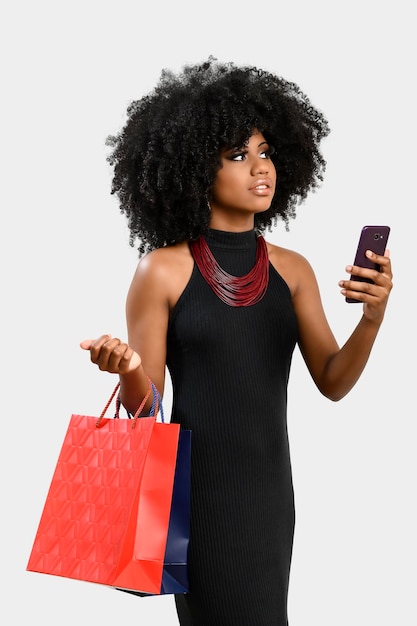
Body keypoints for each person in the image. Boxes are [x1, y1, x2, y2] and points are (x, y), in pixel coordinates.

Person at [80, 57, 393, 625]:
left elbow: (334, 382)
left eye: (266, 152)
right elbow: (145, 404)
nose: (261, 169)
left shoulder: (292, 271)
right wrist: (125, 367)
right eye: (238, 155)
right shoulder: (162, 272)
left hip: (270, 494)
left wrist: (371, 318)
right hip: (198, 498)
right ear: (199, 168)